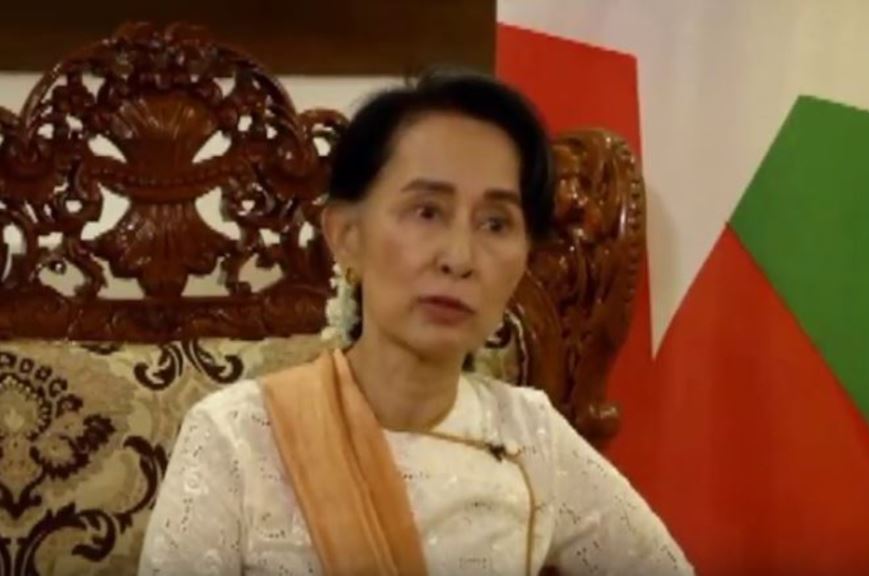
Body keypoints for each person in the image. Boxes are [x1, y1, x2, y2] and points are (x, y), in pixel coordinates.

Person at [139, 70, 694, 576]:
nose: (459, 257)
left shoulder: (530, 437)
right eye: (427, 212)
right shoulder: (236, 437)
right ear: (346, 236)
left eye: (496, 223)